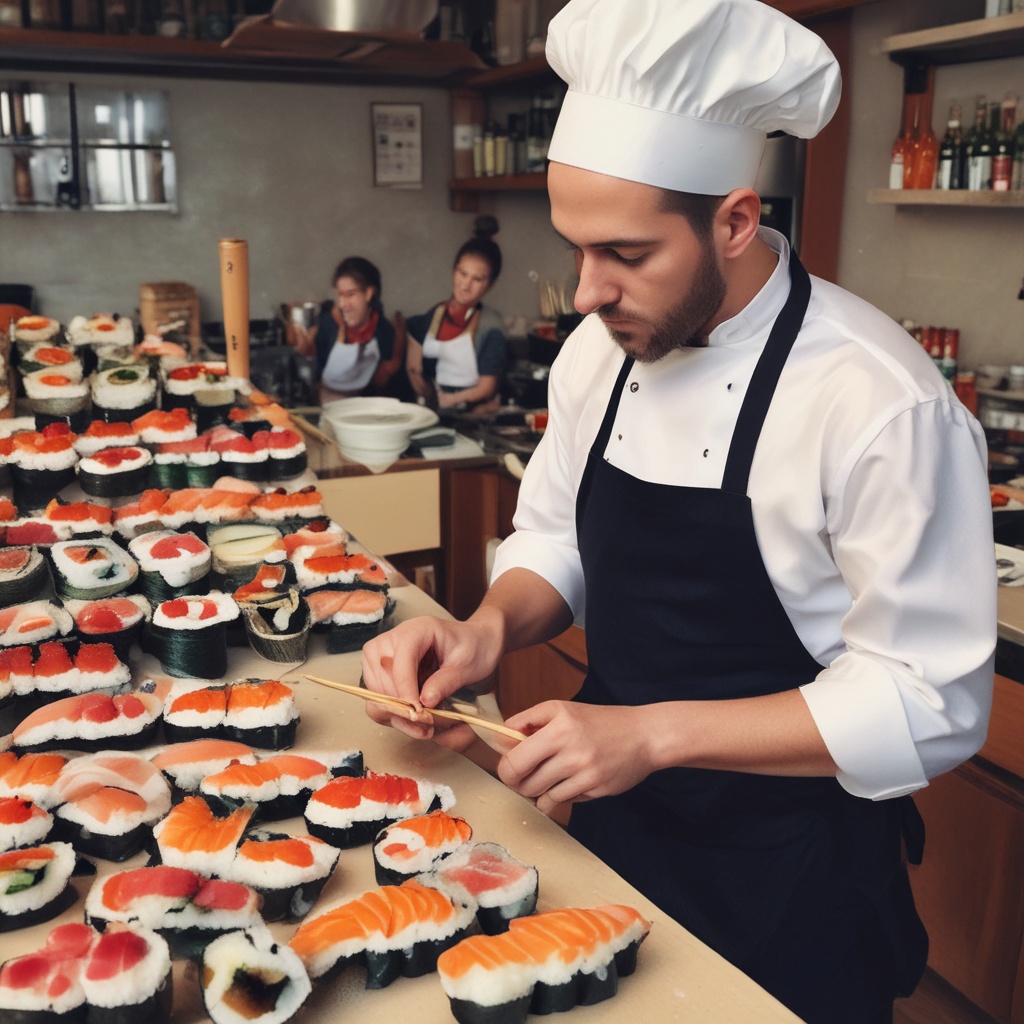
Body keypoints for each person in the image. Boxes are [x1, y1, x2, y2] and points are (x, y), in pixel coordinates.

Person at [360, 2, 996, 1022]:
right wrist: (484, 627)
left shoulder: (877, 401)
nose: (584, 292)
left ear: (736, 221)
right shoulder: (596, 353)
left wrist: (651, 734)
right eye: (575, 250)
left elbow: (930, 701)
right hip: (609, 834)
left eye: (624, 254)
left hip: (793, 875)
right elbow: (557, 538)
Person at [404, 216, 506, 412]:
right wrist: (415, 375)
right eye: (462, 274)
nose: (465, 286)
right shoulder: (437, 313)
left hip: (472, 416)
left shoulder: (491, 327)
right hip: (435, 411)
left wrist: (449, 401)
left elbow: (487, 387)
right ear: (454, 271)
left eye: (478, 279)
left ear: (490, 285)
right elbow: (413, 329)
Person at [292, 256, 410, 404]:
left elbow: (384, 384)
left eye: (350, 295)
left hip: (363, 409)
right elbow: (312, 377)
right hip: (325, 407)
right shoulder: (328, 324)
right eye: (340, 295)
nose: (343, 304)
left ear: (368, 293)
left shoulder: (384, 331)